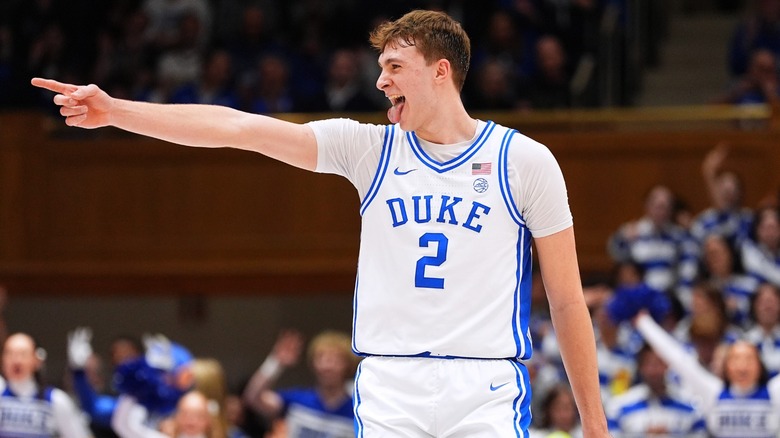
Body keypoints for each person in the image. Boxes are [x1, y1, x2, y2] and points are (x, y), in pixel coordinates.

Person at [31, 9, 609, 436]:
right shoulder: (368, 150)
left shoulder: (525, 161)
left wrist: (595, 425)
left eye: (394, 66)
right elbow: (238, 128)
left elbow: (566, 301)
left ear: (440, 72)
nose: (380, 80)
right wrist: (116, 112)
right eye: (380, 67)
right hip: (390, 386)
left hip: (486, 388)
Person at [634, 311, 780, 437]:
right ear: (726, 366)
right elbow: (678, 358)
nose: (742, 365)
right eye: (736, 359)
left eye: (749, 359)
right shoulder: (714, 393)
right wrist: (644, 322)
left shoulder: (773, 394)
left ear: (760, 365)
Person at [243, 330, 357, 438]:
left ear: (348, 365)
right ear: (313, 364)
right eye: (321, 358)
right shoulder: (297, 400)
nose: (327, 366)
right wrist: (275, 363)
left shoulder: (357, 410)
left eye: (335, 360)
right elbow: (253, 398)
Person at [0, 332, 93, 437]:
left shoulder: (56, 400)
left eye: (23, 354)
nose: (16, 361)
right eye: (9, 353)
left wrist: (79, 373)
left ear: (37, 360)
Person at [605, 344, 707, 437]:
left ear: (667, 364)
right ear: (640, 367)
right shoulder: (618, 407)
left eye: (659, 363)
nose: (654, 371)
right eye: (649, 364)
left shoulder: (692, 407)